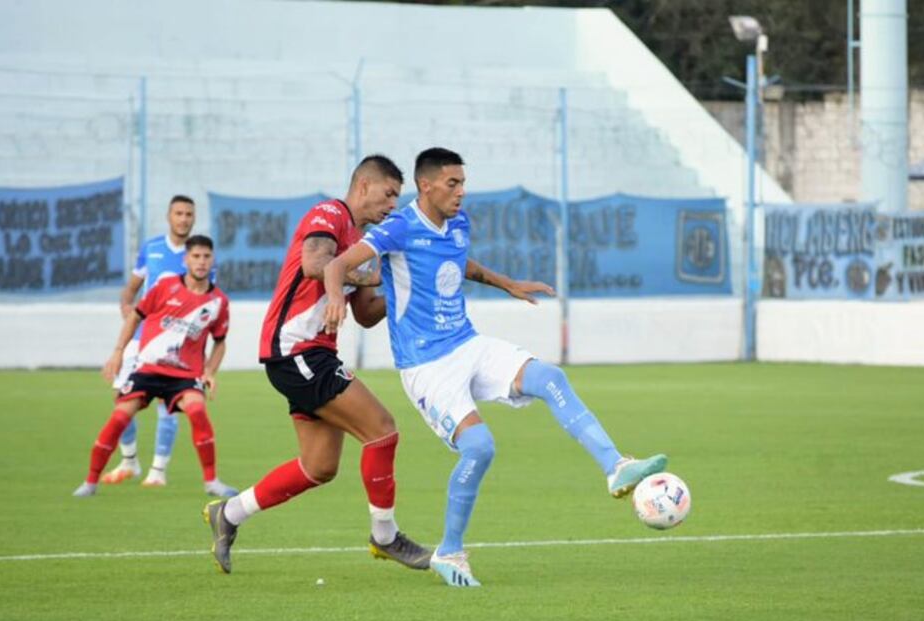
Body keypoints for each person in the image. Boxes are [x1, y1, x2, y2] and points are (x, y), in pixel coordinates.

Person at [323, 147, 668, 587]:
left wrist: (506, 283)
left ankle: (615, 466)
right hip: (427, 365)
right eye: (453, 183)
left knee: (548, 377)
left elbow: (456, 260)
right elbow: (337, 265)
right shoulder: (399, 227)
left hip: (467, 342)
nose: (461, 192)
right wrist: (336, 297)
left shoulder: (459, 222)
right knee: (480, 447)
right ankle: (450, 551)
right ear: (426, 185)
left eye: (463, 183)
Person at [202, 155, 431, 575]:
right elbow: (314, 264)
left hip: (312, 355)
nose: (392, 205)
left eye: (398, 198)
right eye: (388, 194)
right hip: (296, 349)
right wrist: (369, 275)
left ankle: (229, 514)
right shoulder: (329, 214)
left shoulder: (365, 244)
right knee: (382, 430)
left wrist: (408, 290)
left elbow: (365, 313)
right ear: (363, 186)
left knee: (319, 466)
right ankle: (385, 536)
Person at [73, 235, 237, 498]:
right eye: (196, 256)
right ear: (186, 259)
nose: (201, 262)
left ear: (212, 260)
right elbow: (135, 317)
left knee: (197, 411)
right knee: (119, 417)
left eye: (206, 256)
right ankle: (90, 482)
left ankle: (211, 482)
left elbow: (220, 342)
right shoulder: (164, 286)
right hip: (148, 369)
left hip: (185, 375)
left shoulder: (218, 302)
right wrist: (117, 353)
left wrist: (209, 372)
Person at [102, 194, 202, 489]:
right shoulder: (152, 249)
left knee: (166, 403)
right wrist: (126, 307)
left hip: (173, 344)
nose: (184, 219)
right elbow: (131, 288)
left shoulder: (199, 255)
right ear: (169, 217)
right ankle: (129, 460)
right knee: (122, 396)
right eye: (179, 213)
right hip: (139, 337)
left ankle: (158, 470)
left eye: (188, 214)